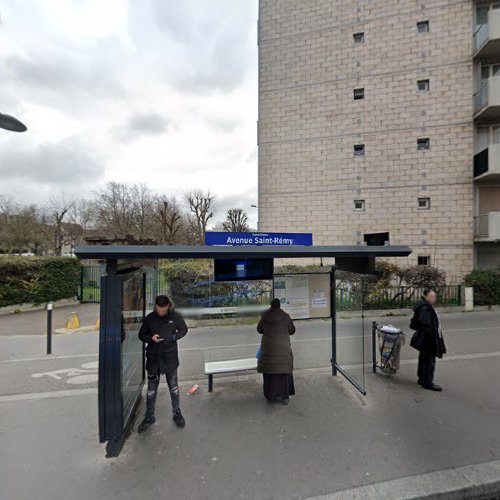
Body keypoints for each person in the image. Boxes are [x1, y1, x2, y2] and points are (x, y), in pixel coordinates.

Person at [137, 295, 188, 432]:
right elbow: (141, 335)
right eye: (159, 310)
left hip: (170, 359)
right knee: (151, 390)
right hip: (153, 360)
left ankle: (177, 413)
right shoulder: (149, 318)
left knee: (174, 387)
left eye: (164, 310)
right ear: (155, 307)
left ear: (168, 307)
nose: (161, 313)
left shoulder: (175, 316)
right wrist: (150, 338)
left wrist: (173, 337)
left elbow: (184, 330)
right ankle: (149, 415)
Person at [257, 298, 296, 404]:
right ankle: (285, 397)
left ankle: (271, 396)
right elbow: (292, 331)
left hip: (268, 351)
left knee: (270, 372)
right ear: (279, 306)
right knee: (283, 372)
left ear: (271, 305)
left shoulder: (265, 316)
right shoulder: (286, 317)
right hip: (283, 350)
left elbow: (259, 330)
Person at [410, 289, 446, 392]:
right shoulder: (425, 308)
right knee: (429, 361)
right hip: (428, 339)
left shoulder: (424, 306)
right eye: (431, 296)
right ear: (425, 296)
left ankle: (422, 378)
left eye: (434, 296)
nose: (433, 298)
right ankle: (428, 382)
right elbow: (425, 324)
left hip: (425, 338)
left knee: (424, 359)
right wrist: (432, 335)